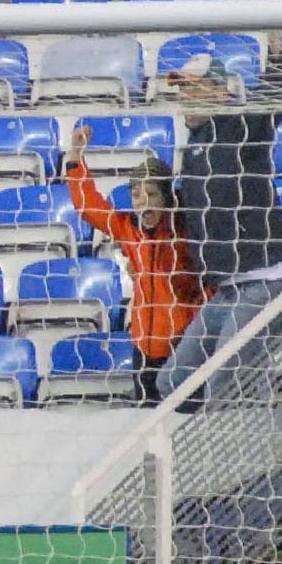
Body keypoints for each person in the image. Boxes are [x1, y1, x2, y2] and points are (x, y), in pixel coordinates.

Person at [158, 55, 282, 402]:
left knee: (223, 387)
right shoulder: (195, 146)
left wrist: (276, 52)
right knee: (172, 383)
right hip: (227, 288)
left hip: (266, 280)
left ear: (221, 92)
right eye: (181, 90)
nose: (184, 97)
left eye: (192, 87)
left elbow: (273, 92)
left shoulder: (242, 126)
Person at [65, 123, 201, 401]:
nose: (143, 202)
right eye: (137, 194)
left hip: (184, 347)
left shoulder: (187, 232)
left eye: (152, 194)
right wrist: (76, 156)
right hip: (144, 347)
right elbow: (88, 206)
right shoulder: (128, 227)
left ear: (168, 198)